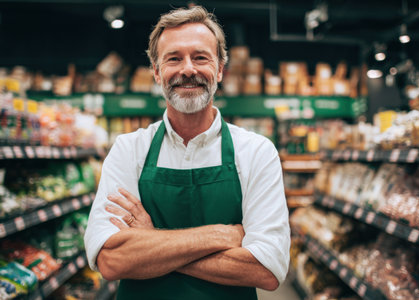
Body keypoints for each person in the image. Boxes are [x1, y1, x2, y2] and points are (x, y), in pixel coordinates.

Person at [84, 5, 290, 300]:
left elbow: (266, 270)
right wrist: (220, 235)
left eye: (200, 57)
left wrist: (151, 243)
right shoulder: (129, 150)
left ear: (220, 69)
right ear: (157, 72)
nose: (188, 69)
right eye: (174, 59)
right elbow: (111, 260)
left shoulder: (256, 152)